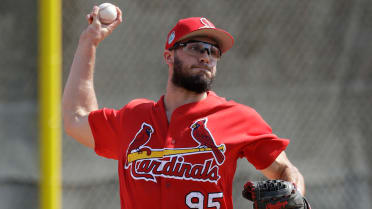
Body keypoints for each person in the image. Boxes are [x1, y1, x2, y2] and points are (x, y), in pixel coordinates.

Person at [62, 5, 306, 209]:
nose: (206, 57)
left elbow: (285, 170)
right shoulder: (134, 118)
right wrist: (88, 42)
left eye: (213, 52)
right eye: (195, 48)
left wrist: (293, 192)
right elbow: (76, 118)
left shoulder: (237, 118)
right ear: (169, 56)